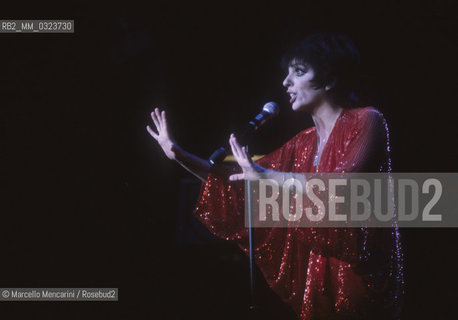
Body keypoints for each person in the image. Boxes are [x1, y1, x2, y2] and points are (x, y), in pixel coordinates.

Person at [147, 32, 404, 320]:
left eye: (299, 72)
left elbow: (341, 185)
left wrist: (266, 176)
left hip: (360, 279)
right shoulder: (302, 143)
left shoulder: (367, 120)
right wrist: (179, 155)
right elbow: (236, 183)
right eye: (287, 73)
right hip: (319, 283)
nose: (286, 82)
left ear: (330, 79)